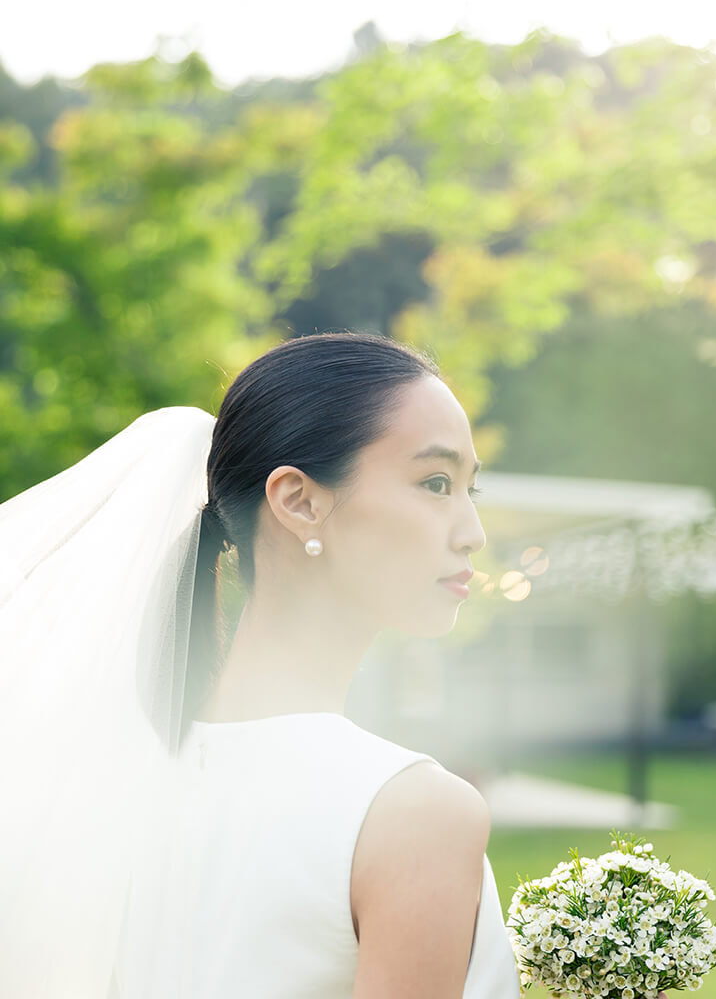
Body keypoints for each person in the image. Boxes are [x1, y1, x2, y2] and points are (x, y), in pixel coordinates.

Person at [0, 332, 521, 998]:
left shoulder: (96, 774)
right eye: (436, 483)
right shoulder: (414, 814)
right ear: (299, 500)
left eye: (470, 488)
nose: (472, 531)